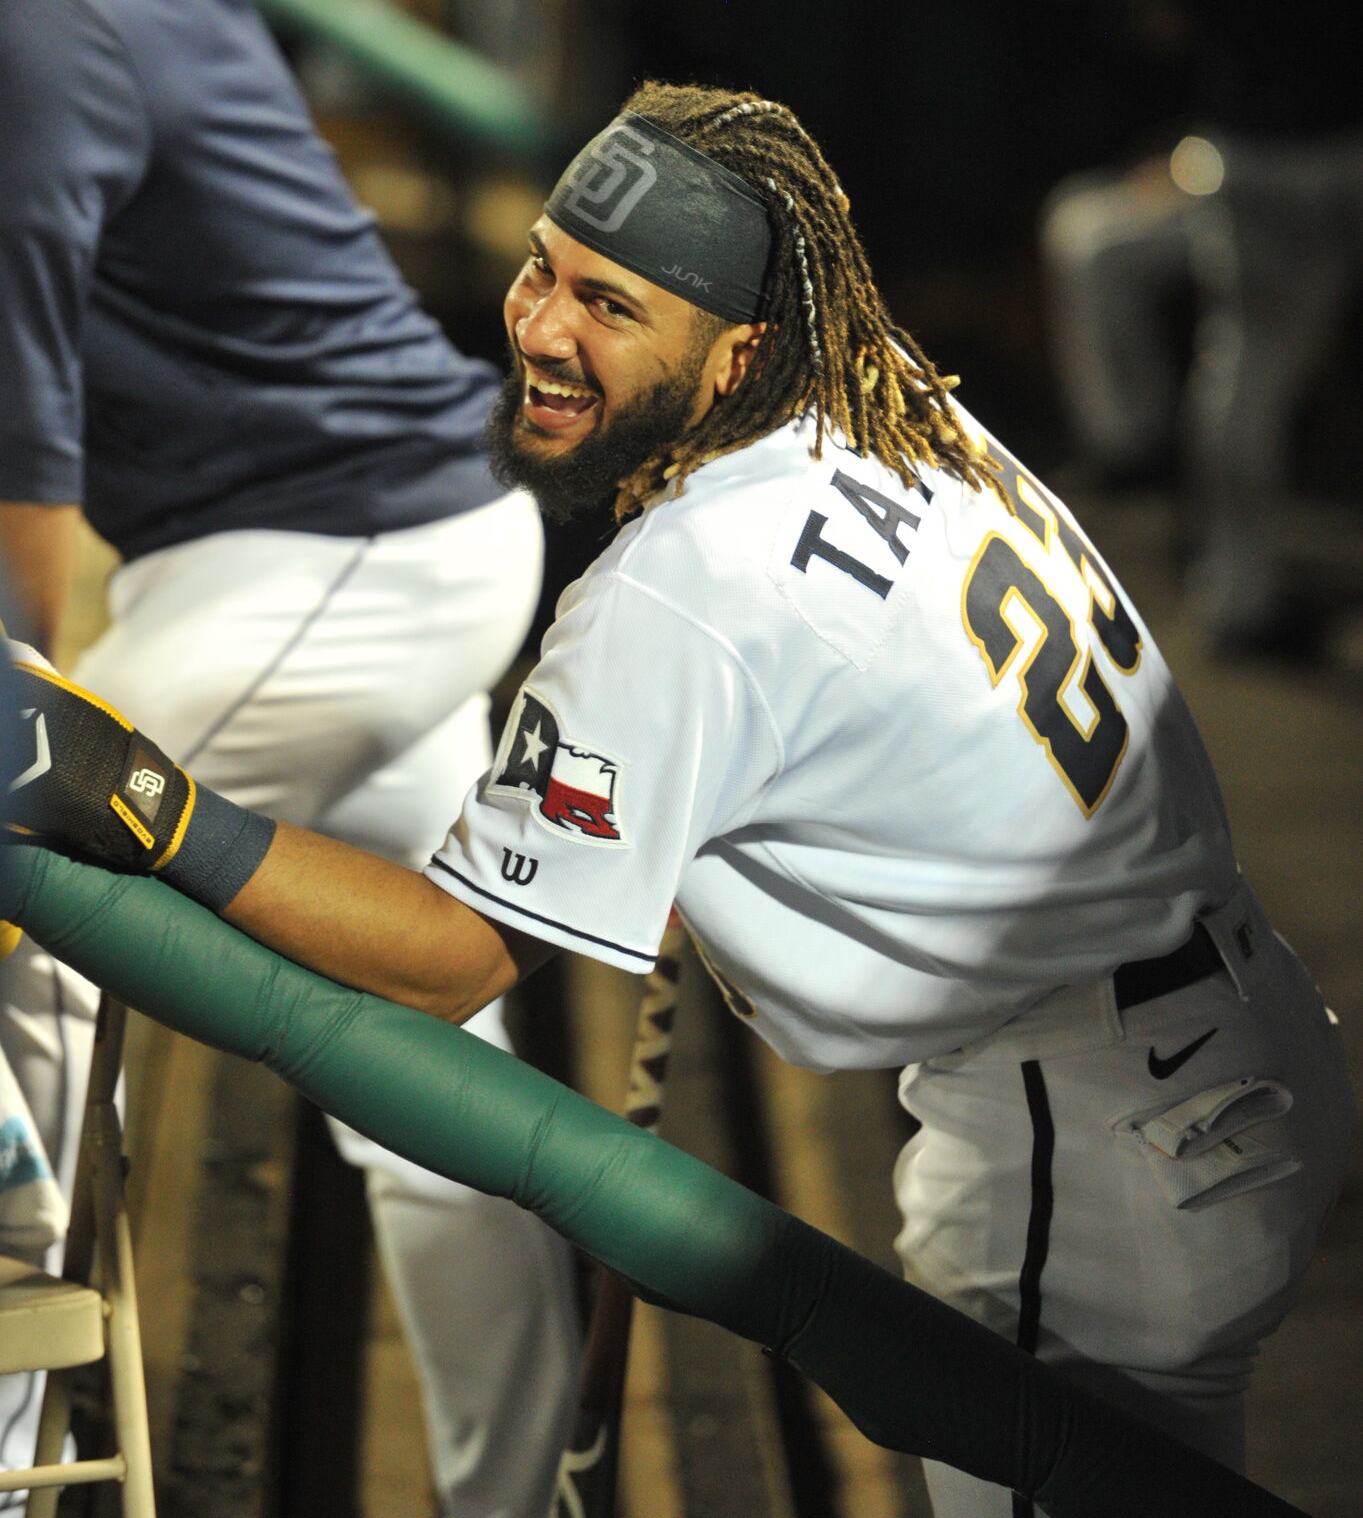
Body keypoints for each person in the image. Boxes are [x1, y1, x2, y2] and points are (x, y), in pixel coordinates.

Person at [9, 82, 1354, 1517]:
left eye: (609, 303)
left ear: (736, 354)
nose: (535, 323)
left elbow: (448, 963)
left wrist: (138, 797)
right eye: (541, 267)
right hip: (1227, 1055)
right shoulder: (881, 404)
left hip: (1087, 1148)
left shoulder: (687, 589)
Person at [0, 0, 578, 1515]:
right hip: (389, 535)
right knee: (431, 1072)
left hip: (321, 557)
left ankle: (6, 1453)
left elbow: (21, 484)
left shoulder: (38, 17)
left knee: (25, 900)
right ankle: (511, 1496)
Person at [1042, 0, 1363, 654]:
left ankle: (1241, 588)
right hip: (1259, 168)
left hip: (1278, 174)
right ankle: (1133, 448)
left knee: (1246, 380)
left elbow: (1161, 20)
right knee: (1090, 237)